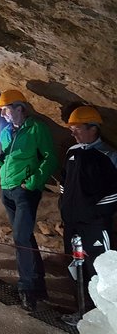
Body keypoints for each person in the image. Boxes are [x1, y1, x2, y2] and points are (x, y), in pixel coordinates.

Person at [0, 89, 57, 311]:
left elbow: (50, 157)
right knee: (26, 237)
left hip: (25, 191)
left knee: (20, 238)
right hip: (7, 190)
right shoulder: (7, 132)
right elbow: (5, 162)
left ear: (20, 108)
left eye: (5, 110)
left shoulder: (37, 128)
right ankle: (38, 285)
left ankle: (26, 289)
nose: (2, 115)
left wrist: (33, 181)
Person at [59, 105, 117, 326]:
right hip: (72, 224)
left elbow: (115, 192)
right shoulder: (72, 152)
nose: (73, 132)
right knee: (76, 268)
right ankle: (82, 313)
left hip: (94, 226)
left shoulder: (108, 156)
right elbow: (65, 183)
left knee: (99, 271)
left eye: (77, 128)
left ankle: (106, 319)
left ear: (93, 128)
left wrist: (95, 214)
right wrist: (65, 206)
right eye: (71, 128)